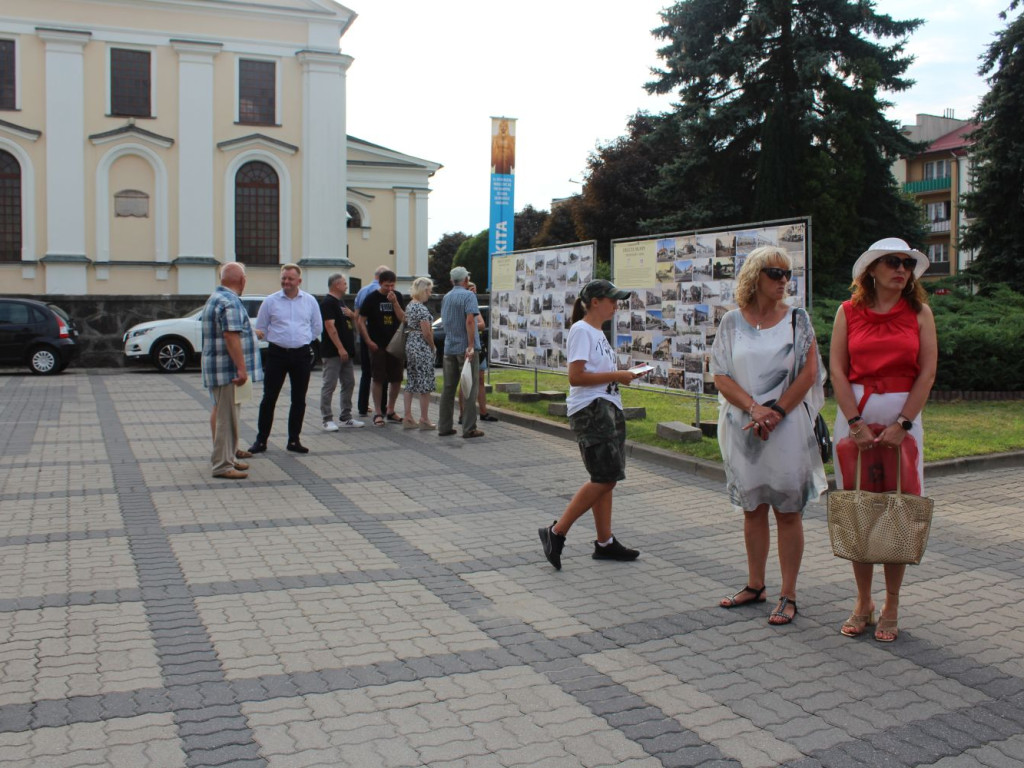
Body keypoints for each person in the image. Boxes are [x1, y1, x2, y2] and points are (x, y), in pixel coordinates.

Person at [710, 246, 827, 625]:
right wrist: (754, 408)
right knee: (753, 508)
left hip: (787, 427)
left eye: (787, 273)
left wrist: (775, 413)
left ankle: (788, 594)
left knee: (788, 511)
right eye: (775, 273)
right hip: (745, 429)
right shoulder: (732, 322)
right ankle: (755, 584)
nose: (783, 280)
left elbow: (809, 374)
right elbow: (720, 374)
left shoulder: (797, 319)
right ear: (755, 276)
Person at [830, 237, 937, 642]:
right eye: (892, 262)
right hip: (854, 424)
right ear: (871, 270)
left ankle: (892, 602)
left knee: (899, 509)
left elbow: (927, 372)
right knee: (858, 508)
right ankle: (863, 601)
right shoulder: (847, 312)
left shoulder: (920, 313)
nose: (902, 270)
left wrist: (903, 423)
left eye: (907, 264)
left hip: (902, 425)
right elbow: (837, 370)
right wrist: (855, 423)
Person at [538, 279, 644, 570]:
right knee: (605, 478)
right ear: (595, 302)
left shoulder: (596, 332)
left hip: (606, 407)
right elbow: (576, 377)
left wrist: (623, 374)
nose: (616, 306)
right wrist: (618, 375)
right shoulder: (582, 330)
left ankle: (605, 542)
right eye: (612, 300)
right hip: (592, 410)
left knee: (605, 478)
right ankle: (556, 532)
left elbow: (595, 372)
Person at [249, 263, 323, 454]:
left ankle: (294, 440)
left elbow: (317, 327)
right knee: (269, 398)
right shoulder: (270, 301)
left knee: (299, 399)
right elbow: (261, 328)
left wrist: (303, 339)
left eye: (290, 278)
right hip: (277, 354)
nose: (286, 282)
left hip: (301, 354)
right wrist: (279, 339)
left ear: (299, 281)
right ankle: (261, 440)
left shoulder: (309, 301)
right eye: (284, 278)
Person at [201, 262, 263, 479]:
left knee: (228, 416)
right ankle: (222, 465)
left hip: (220, 369)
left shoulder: (217, 297)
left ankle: (228, 458)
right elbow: (230, 335)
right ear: (242, 280)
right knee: (226, 419)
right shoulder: (230, 301)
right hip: (228, 371)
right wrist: (242, 369)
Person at [356, 269, 407, 427]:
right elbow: (361, 320)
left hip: (395, 344)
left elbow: (403, 318)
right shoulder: (372, 298)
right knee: (378, 378)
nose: (390, 289)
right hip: (378, 344)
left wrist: (395, 303)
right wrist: (368, 340)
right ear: (380, 283)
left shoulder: (397, 296)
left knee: (396, 378)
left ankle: (390, 410)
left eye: (392, 285)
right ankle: (378, 412)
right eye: (386, 286)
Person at [438, 266, 483, 438]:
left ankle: (444, 426)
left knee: (448, 389)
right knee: (469, 389)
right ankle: (469, 428)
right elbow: (470, 321)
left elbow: (445, 321)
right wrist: (470, 345)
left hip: (449, 347)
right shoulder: (469, 296)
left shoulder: (446, 297)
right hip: (465, 349)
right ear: (466, 280)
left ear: (452, 281)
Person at [319, 273, 363, 431]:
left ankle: (346, 416)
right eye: (344, 283)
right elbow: (330, 327)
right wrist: (340, 348)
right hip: (333, 352)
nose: (346, 286)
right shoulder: (328, 303)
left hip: (346, 352)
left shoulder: (340, 302)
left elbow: (350, 322)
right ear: (337, 285)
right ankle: (327, 418)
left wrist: (352, 315)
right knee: (329, 384)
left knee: (349, 383)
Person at [401, 277, 437, 430]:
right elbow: (426, 332)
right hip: (421, 346)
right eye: (429, 291)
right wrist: (433, 347)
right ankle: (424, 419)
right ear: (424, 290)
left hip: (411, 344)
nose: (430, 294)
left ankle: (408, 417)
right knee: (425, 383)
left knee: (411, 381)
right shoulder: (422, 308)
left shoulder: (410, 305)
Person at [459, 283, 497, 424]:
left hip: (479, 346)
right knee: (465, 381)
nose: (473, 293)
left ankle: (483, 411)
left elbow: (482, 324)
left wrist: (475, 324)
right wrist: (475, 324)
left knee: (481, 380)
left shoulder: (475, 307)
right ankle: (463, 414)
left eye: (475, 290)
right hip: (468, 348)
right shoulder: (463, 305)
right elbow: (473, 324)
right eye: (471, 290)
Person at [355, 265, 390, 417]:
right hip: (378, 336)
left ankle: (362, 406)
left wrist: (361, 335)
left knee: (366, 372)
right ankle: (381, 407)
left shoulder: (362, 291)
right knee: (381, 373)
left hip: (364, 335)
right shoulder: (381, 292)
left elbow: (357, 315)